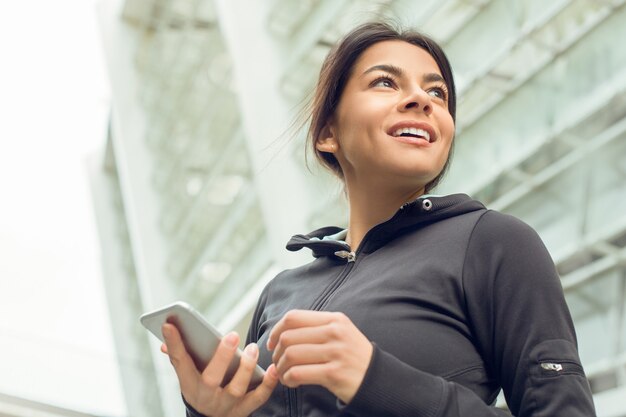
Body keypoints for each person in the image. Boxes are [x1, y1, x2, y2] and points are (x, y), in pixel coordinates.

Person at [160, 22, 597, 416]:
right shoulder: (281, 292)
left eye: (437, 93)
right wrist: (209, 413)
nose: (421, 100)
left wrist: (376, 379)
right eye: (386, 82)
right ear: (328, 132)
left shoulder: (494, 243)